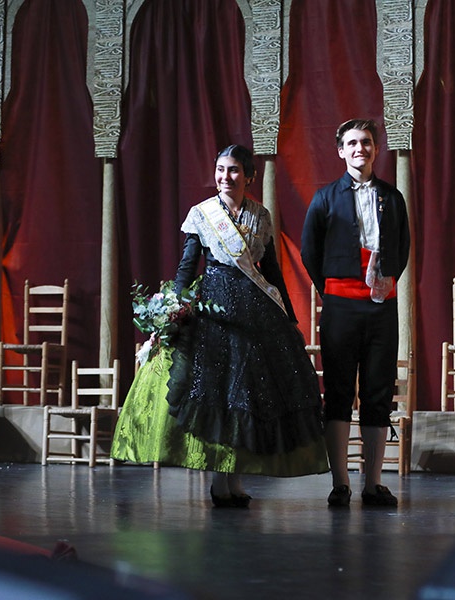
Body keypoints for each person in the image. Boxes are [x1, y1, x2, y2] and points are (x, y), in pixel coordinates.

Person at [113, 145, 329, 508]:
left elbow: (271, 270)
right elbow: (187, 267)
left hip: (255, 312)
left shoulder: (261, 215)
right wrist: (171, 309)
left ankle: (235, 479)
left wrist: (289, 317)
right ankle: (219, 480)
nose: (225, 177)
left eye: (233, 170)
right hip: (214, 311)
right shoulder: (202, 214)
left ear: (249, 176)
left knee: (246, 397)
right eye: (220, 169)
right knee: (218, 395)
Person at [301, 119, 411, 507]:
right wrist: (335, 293)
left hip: (381, 307)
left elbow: (403, 247)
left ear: (376, 149)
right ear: (340, 151)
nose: (359, 148)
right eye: (352, 143)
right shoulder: (325, 198)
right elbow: (309, 252)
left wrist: (383, 284)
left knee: (379, 392)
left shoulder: (392, 197)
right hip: (340, 307)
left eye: (366, 142)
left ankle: (373, 483)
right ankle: (340, 483)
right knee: (338, 393)